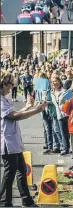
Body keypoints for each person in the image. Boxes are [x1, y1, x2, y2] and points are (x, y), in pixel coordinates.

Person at [0, 71, 48, 207]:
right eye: (11, 84)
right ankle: (4, 201)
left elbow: (15, 113)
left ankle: (26, 200)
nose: (12, 87)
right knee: (10, 173)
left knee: (21, 170)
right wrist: (36, 110)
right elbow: (15, 116)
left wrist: (28, 106)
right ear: (3, 84)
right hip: (7, 143)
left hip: (13, 141)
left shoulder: (5, 99)